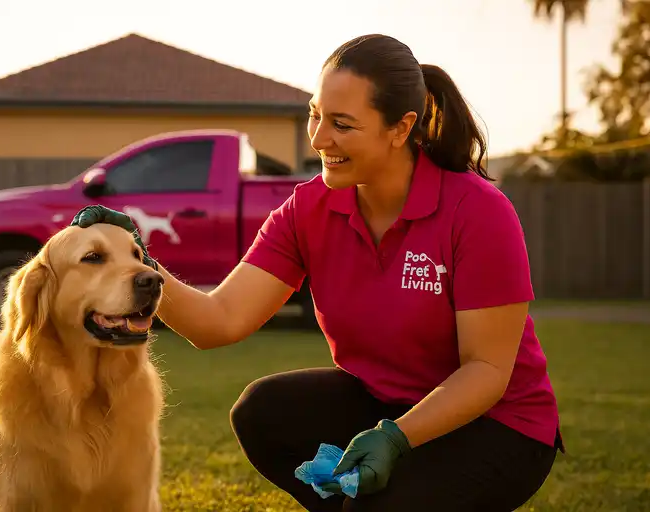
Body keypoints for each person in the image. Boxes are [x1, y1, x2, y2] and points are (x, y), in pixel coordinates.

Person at [72, 33, 563, 512]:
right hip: (386, 406)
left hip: (499, 425)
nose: (320, 138)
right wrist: (138, 262)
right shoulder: (308, 209)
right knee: (264, 412)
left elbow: (486, 372)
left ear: (400, 127)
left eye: (342, 124)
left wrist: (396, 438)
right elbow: (218, 320)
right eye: (315, 115)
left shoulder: (477, 211)